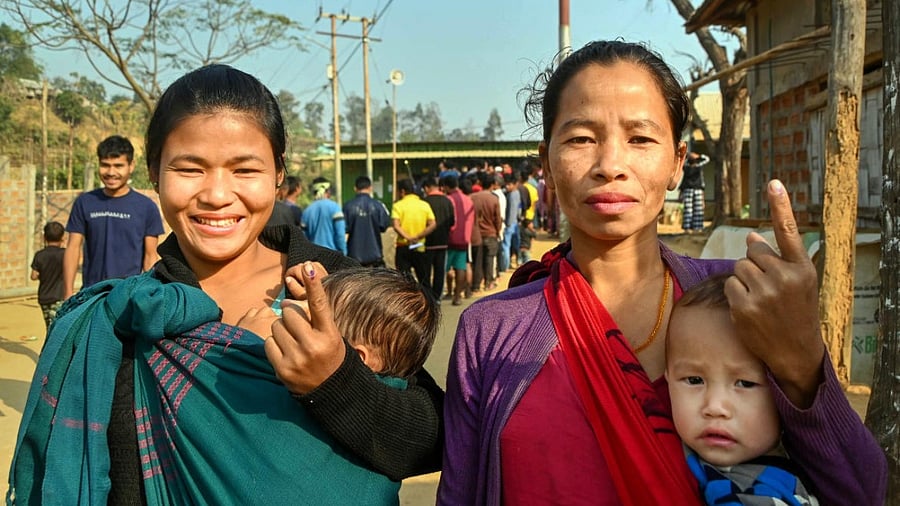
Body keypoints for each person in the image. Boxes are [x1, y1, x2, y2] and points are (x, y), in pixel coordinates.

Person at [437, 40, 885, 505]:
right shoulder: (491, 331)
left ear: (677, 162)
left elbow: (860, 490)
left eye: (641, 138)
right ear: (546, 162)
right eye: (580, 139)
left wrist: (802, 360)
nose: (610, 166)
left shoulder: (738, 298)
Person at [9, 64, 443, 505]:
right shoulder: (120, 319)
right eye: (190, 169)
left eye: (244, 169)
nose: (217, 194)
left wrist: (334, 381)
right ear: (154, 173)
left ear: (278, 174)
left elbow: (435, 438)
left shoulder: (337, 286)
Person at [667, 274, 818, 505]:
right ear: (667, 379)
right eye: (694, 380)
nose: (715, 407)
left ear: (783, 395)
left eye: (745, 383)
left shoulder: (761, 492)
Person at [62, 135, 165, 298]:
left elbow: (150, 255)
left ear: (131, 166)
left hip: (128, 297)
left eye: (118, 166)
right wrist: (67, 292)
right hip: (91, 295)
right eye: (105, 165)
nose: (111, 172)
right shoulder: (85, 202)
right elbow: (73, 248)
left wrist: (150, 295)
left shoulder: (146, 207)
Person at [391, 178, 436, 284]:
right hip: (420, 245)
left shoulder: (398, 205)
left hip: (403, 246)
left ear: (402, 191)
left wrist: (408, 237)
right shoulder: (424, 204)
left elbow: (396, 225)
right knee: (424, 279)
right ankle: (427, 299)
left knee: (403, 281)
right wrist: (418, 236)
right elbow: (433, 224)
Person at [343, 175, 391, 267]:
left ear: (355, 188)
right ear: (370, 188)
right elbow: (384, 226)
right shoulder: (378, 206)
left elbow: (344, 228)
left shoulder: (348, 206)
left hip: (354, 256)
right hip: (375, 255)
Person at [441, 174, 475, 306]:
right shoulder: (468, 200)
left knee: (447, 267)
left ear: (446, 186)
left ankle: (449, 291)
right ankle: (457, 296)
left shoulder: (448, 199)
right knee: (460, 267)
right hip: (464, 238)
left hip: (450, 238)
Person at [422, 176, 455, 302]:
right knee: (439, 270)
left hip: (427, 242)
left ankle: (427, 295)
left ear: (426, 188)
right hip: (443, 242)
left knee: (425, 271)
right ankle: (437, 297)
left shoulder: (424, 201)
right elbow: (452, 221)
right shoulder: (447, 201)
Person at [30, 221, 66, 334]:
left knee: (49, 326)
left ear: (44, 237)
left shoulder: (40, 255)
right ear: (62, 238)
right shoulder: (65, 254)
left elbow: (34, 276)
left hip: (44, 297)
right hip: (59, 297)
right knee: (56, 328)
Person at [301, 176, 347, 254]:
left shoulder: (306, 211)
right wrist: (344, 252)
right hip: (332, 256)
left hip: (313, 257)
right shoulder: (335, 207)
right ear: (327, 191)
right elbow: (340, 235)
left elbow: (304, 238)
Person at [679, 151, 710, 234]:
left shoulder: (698, 165)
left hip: (696, 189)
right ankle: (688, 228)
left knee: (697, 209)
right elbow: (706, 159)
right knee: (689, 209)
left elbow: (707, 159)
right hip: (690, 189)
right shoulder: (686, 166)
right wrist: (690, 155)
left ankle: (697, 228)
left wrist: (697, 156)